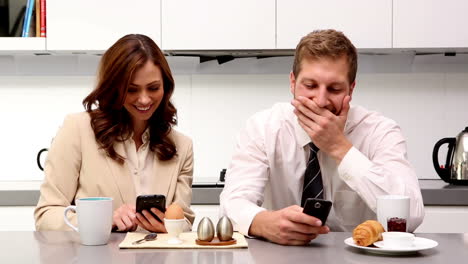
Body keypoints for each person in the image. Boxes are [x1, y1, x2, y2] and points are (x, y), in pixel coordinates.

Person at [219, 29, 424, 245]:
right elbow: (232, 205)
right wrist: (264, 222)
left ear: (351, 90)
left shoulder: (380, 131)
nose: (320, 100)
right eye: (310, 86)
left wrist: (340, 148)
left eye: (334, 89)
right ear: (292, 82)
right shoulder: (262, 128)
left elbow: (411, 215)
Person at [34, 34, 195, 232]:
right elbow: (46, 215)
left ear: (166, 86)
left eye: (153, 88)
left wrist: (170, 227)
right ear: (114, 88)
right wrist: (104, 220)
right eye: (132, 90)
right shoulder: (77, 130)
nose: (144, 99)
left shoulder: (182, 146)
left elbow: (184, 221)